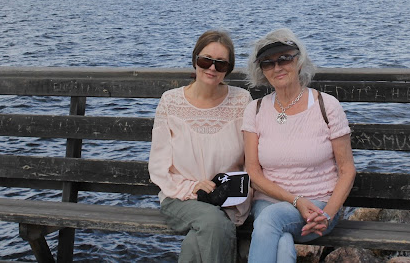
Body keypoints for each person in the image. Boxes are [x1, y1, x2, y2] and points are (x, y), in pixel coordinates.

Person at [242, 28, 356, 263]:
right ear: (261, 71)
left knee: (270, 224)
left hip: (320, 206)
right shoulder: (255, 110)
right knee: (280, 238)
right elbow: (253, 173)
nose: (277, 67)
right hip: (267, 204)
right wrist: (295, 200)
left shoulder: (327, 106)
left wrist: (327, 214)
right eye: (268, 63)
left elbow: (347, 171)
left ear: (299, 61)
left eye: (285, 58)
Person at [148, 30, 252, 263]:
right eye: (205, 60)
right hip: (181, 197)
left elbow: (251, 158)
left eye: (220, 64)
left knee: (199, 240)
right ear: (195, 60)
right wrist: (193, 187)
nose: (212, 68)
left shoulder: (242, 100)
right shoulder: (170, 101)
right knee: (213, 223)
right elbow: (159, 166)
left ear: (228, 68)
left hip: (228, 198)